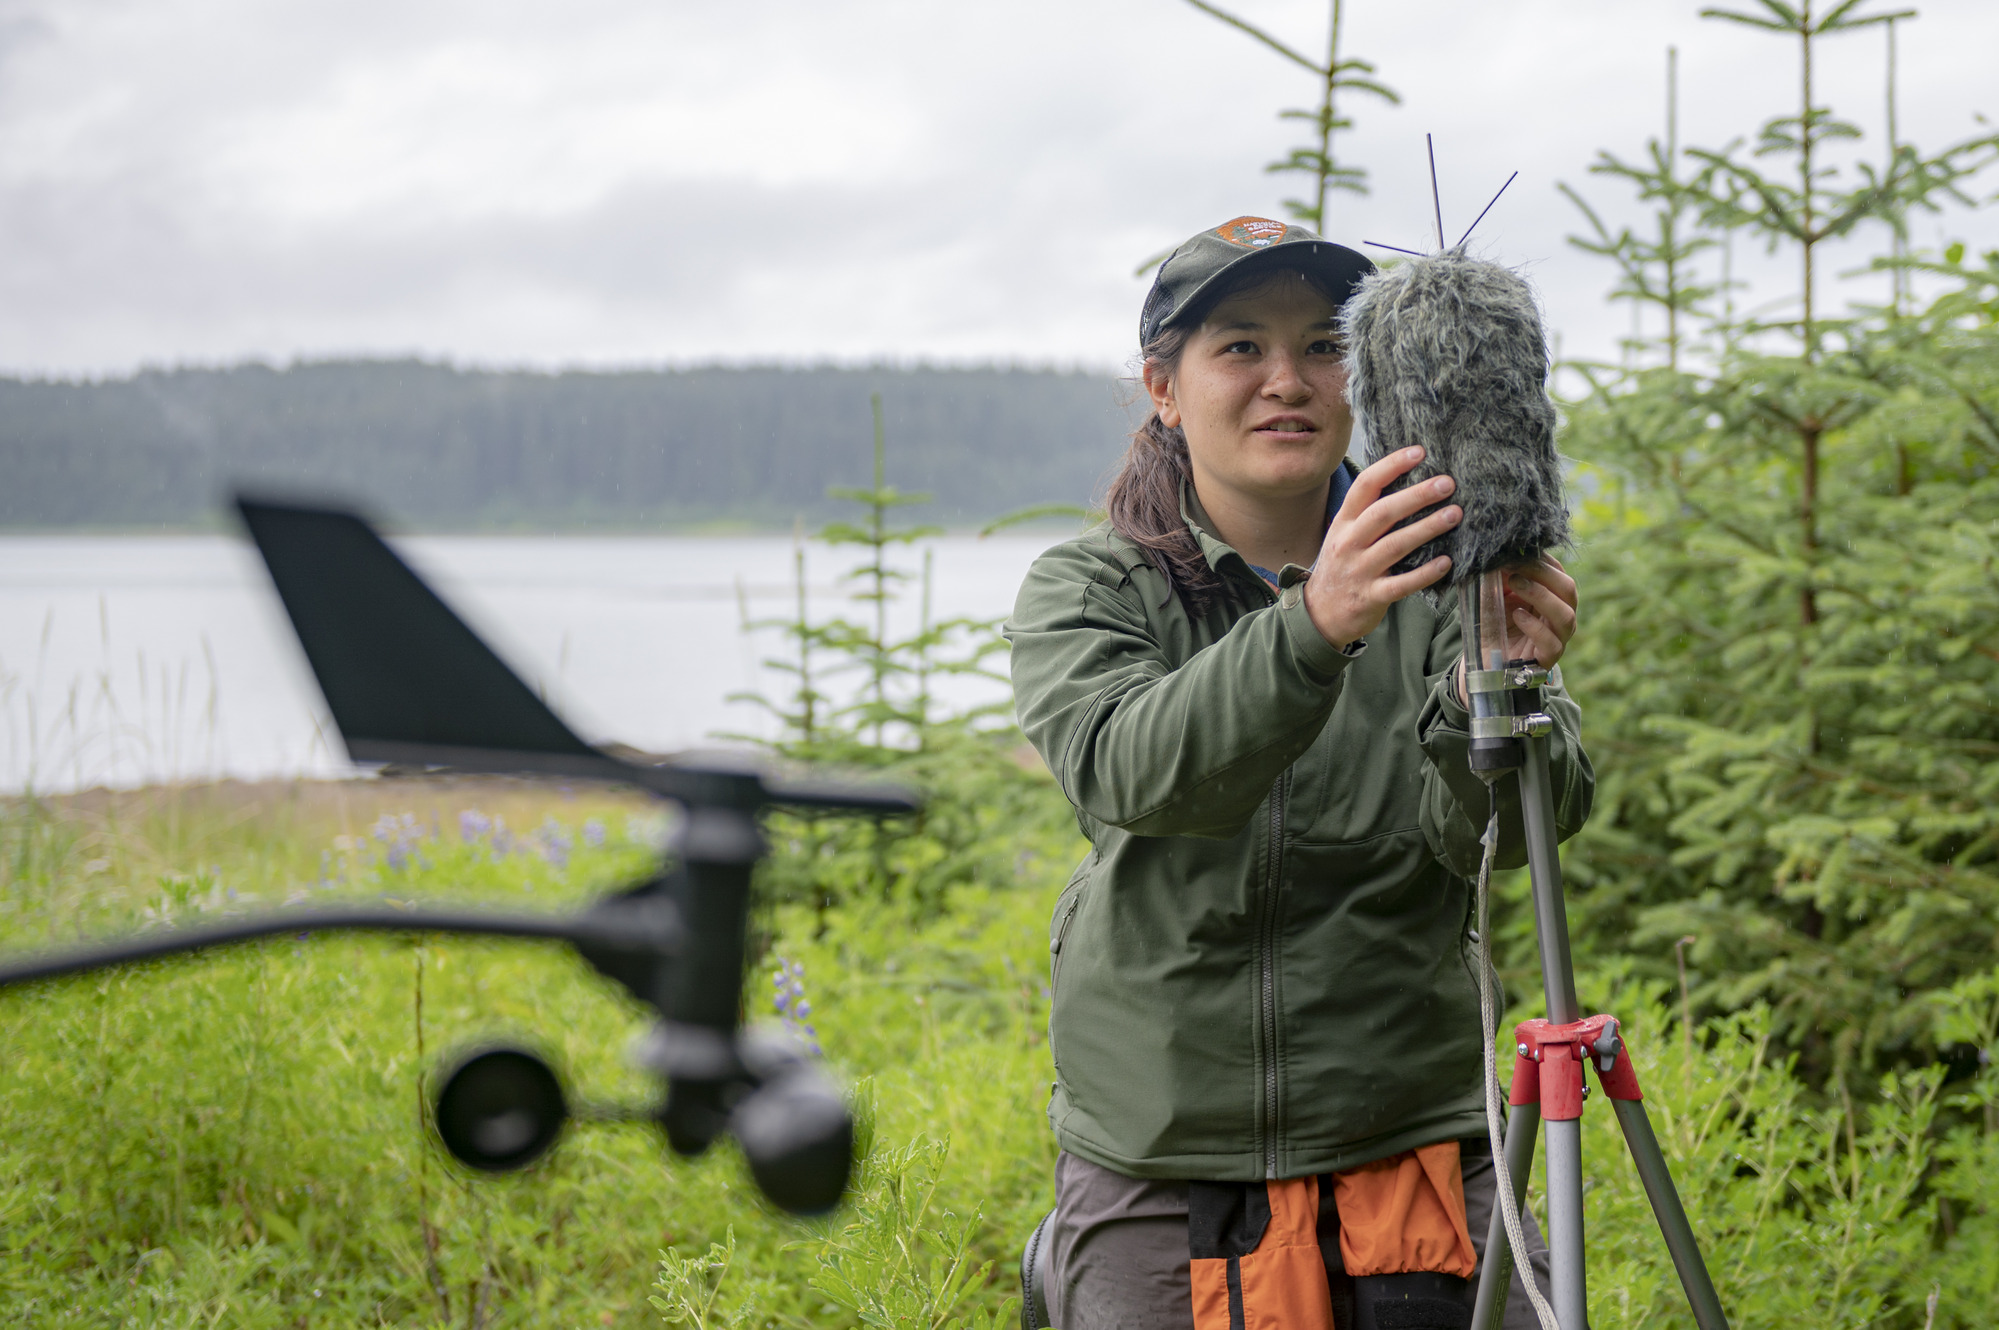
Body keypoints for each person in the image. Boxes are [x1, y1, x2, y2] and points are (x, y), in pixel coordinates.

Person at [1004, 216, 1592, 1330]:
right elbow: (1132, 770)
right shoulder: (1094, 586)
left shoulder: (1444, 574)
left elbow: (1513, 835)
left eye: (1323, 348)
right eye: (1239, 348)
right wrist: (1316, 621)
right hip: (1162, 1158)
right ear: (1162, 387)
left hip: (1416, 1135)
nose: (1287, 381)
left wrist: (1497, 692)